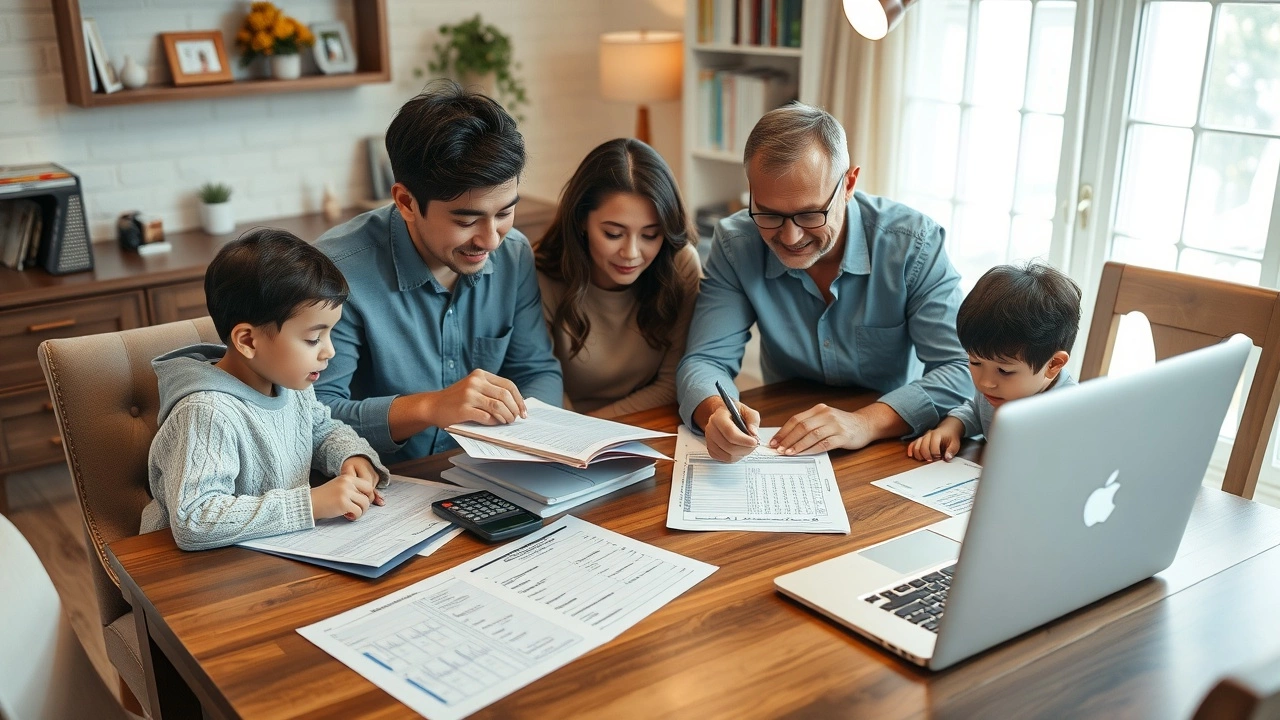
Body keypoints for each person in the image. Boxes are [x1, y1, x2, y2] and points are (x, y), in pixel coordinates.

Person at [676, 102, 972, 463]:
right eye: (768, 213)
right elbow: (705, 359)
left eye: (809, 213)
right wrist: (713, 413)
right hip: (788, 440)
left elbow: (962, 369)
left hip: (894, 441)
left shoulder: (914, 244)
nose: (790, 235)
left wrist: (864, 423)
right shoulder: (735, 242)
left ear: (848, 184)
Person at [315, 80, 563, 463]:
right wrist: (430, 407)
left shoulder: (514, 255)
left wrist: (526, 437)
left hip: (492, 471)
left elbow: (536, 370)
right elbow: (314, 415)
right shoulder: (336, 272)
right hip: (382, 488)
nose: (490, 240)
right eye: (467, 220)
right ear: (406, 202)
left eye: (504, 213)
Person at [141, 229, 389, 552]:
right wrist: (309, 504)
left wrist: (351, 455)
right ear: (247, 341)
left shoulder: (293, 384)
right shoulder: (205, 413)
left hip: (275, 555)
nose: (328, 351)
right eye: (314, 339)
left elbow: (321, 429)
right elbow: (194, 520)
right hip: (198, 577)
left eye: (330, 334)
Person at [534, 138, 702, 418]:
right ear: (581, 220)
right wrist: (579, 434)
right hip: (560, 424)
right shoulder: (539, 272)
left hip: (647, 421)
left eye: (650, 235)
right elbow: (536, 378)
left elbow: (673, 383)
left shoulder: (680, 264)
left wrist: (598, 430)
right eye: (613, 233)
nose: (631, 253)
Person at [908, 262, 1082, 462]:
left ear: (1053, 365)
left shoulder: (1071, 414)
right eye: (975, 362)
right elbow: (975, 410)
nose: (985, 383)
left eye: (1004, 370)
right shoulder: (997, 392)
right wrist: (952, 426)